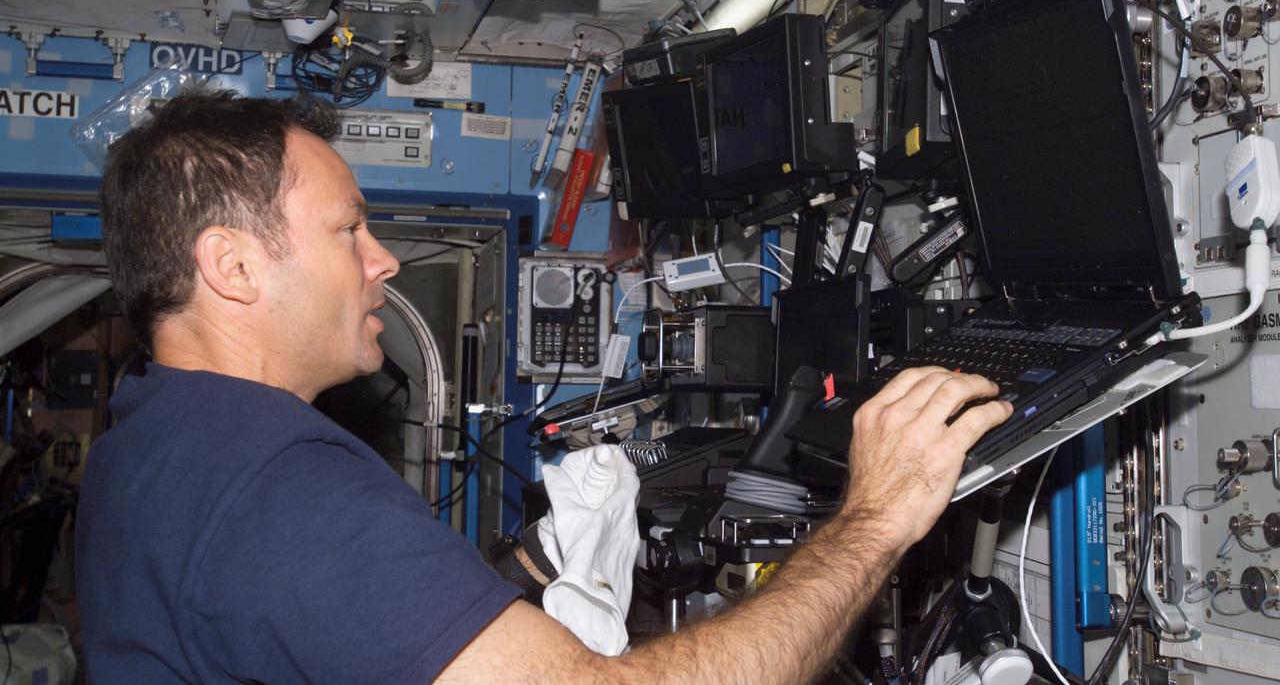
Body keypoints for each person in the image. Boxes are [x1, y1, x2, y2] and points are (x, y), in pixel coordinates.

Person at [77, 89, 1012, 685]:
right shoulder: (276, 484)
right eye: (348, 232)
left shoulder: (151, 440)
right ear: (233, 266)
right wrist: (875, 519)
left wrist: (510, 581)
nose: (384, 260)